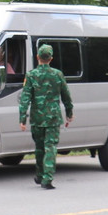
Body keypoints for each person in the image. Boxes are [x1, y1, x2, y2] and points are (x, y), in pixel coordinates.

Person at [19, 44, 74, 190]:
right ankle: (47, 179)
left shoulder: (31, 75)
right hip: (53, 118)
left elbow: (25, 98)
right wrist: (69, 113)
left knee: (39, 147)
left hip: (37, 118)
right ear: (51, 59)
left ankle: (40, 175)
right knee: (50, 147)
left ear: (37, 57)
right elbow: (66, 96)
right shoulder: (58, 74)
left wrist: (22, 119)